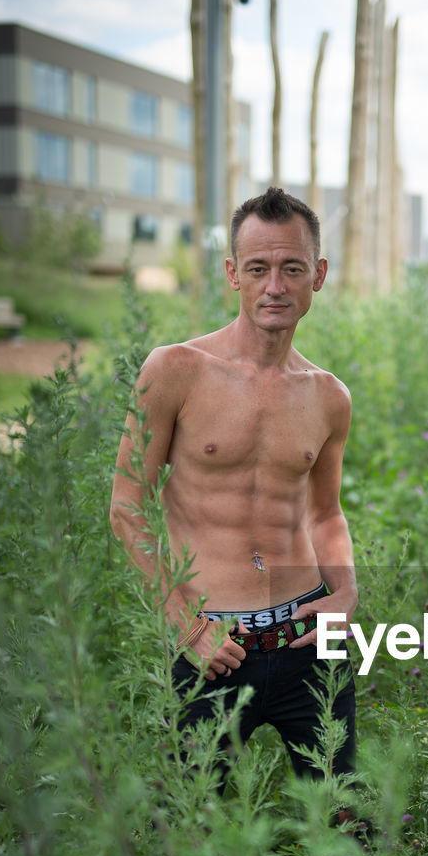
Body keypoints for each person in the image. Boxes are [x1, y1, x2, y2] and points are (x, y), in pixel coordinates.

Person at [109, 186, 358, 797]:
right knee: (199, 832)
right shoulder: (175, 371)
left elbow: (326, 514)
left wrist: (347, 592)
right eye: (259, 268)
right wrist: (185, 624)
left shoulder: (328, 395)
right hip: (211, 646)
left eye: (292, 268)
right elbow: (126, 506)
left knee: (344, 826)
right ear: (233, 275)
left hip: (309, 639)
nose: (275, 285)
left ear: (317, 275)